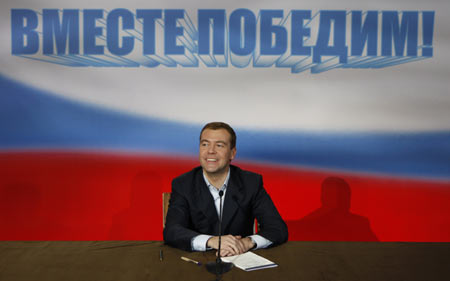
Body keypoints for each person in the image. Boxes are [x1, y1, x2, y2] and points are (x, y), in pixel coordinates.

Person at [163, 122, 288, 256]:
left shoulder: (250, 183)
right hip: (197, 262)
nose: (210, 151)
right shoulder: (183, 184)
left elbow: (277, 228)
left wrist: (247, 242)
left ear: (232, 153)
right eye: (205, 144)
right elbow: (172, 231)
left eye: (219, 145)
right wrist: (211, 241)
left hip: (239, 260)